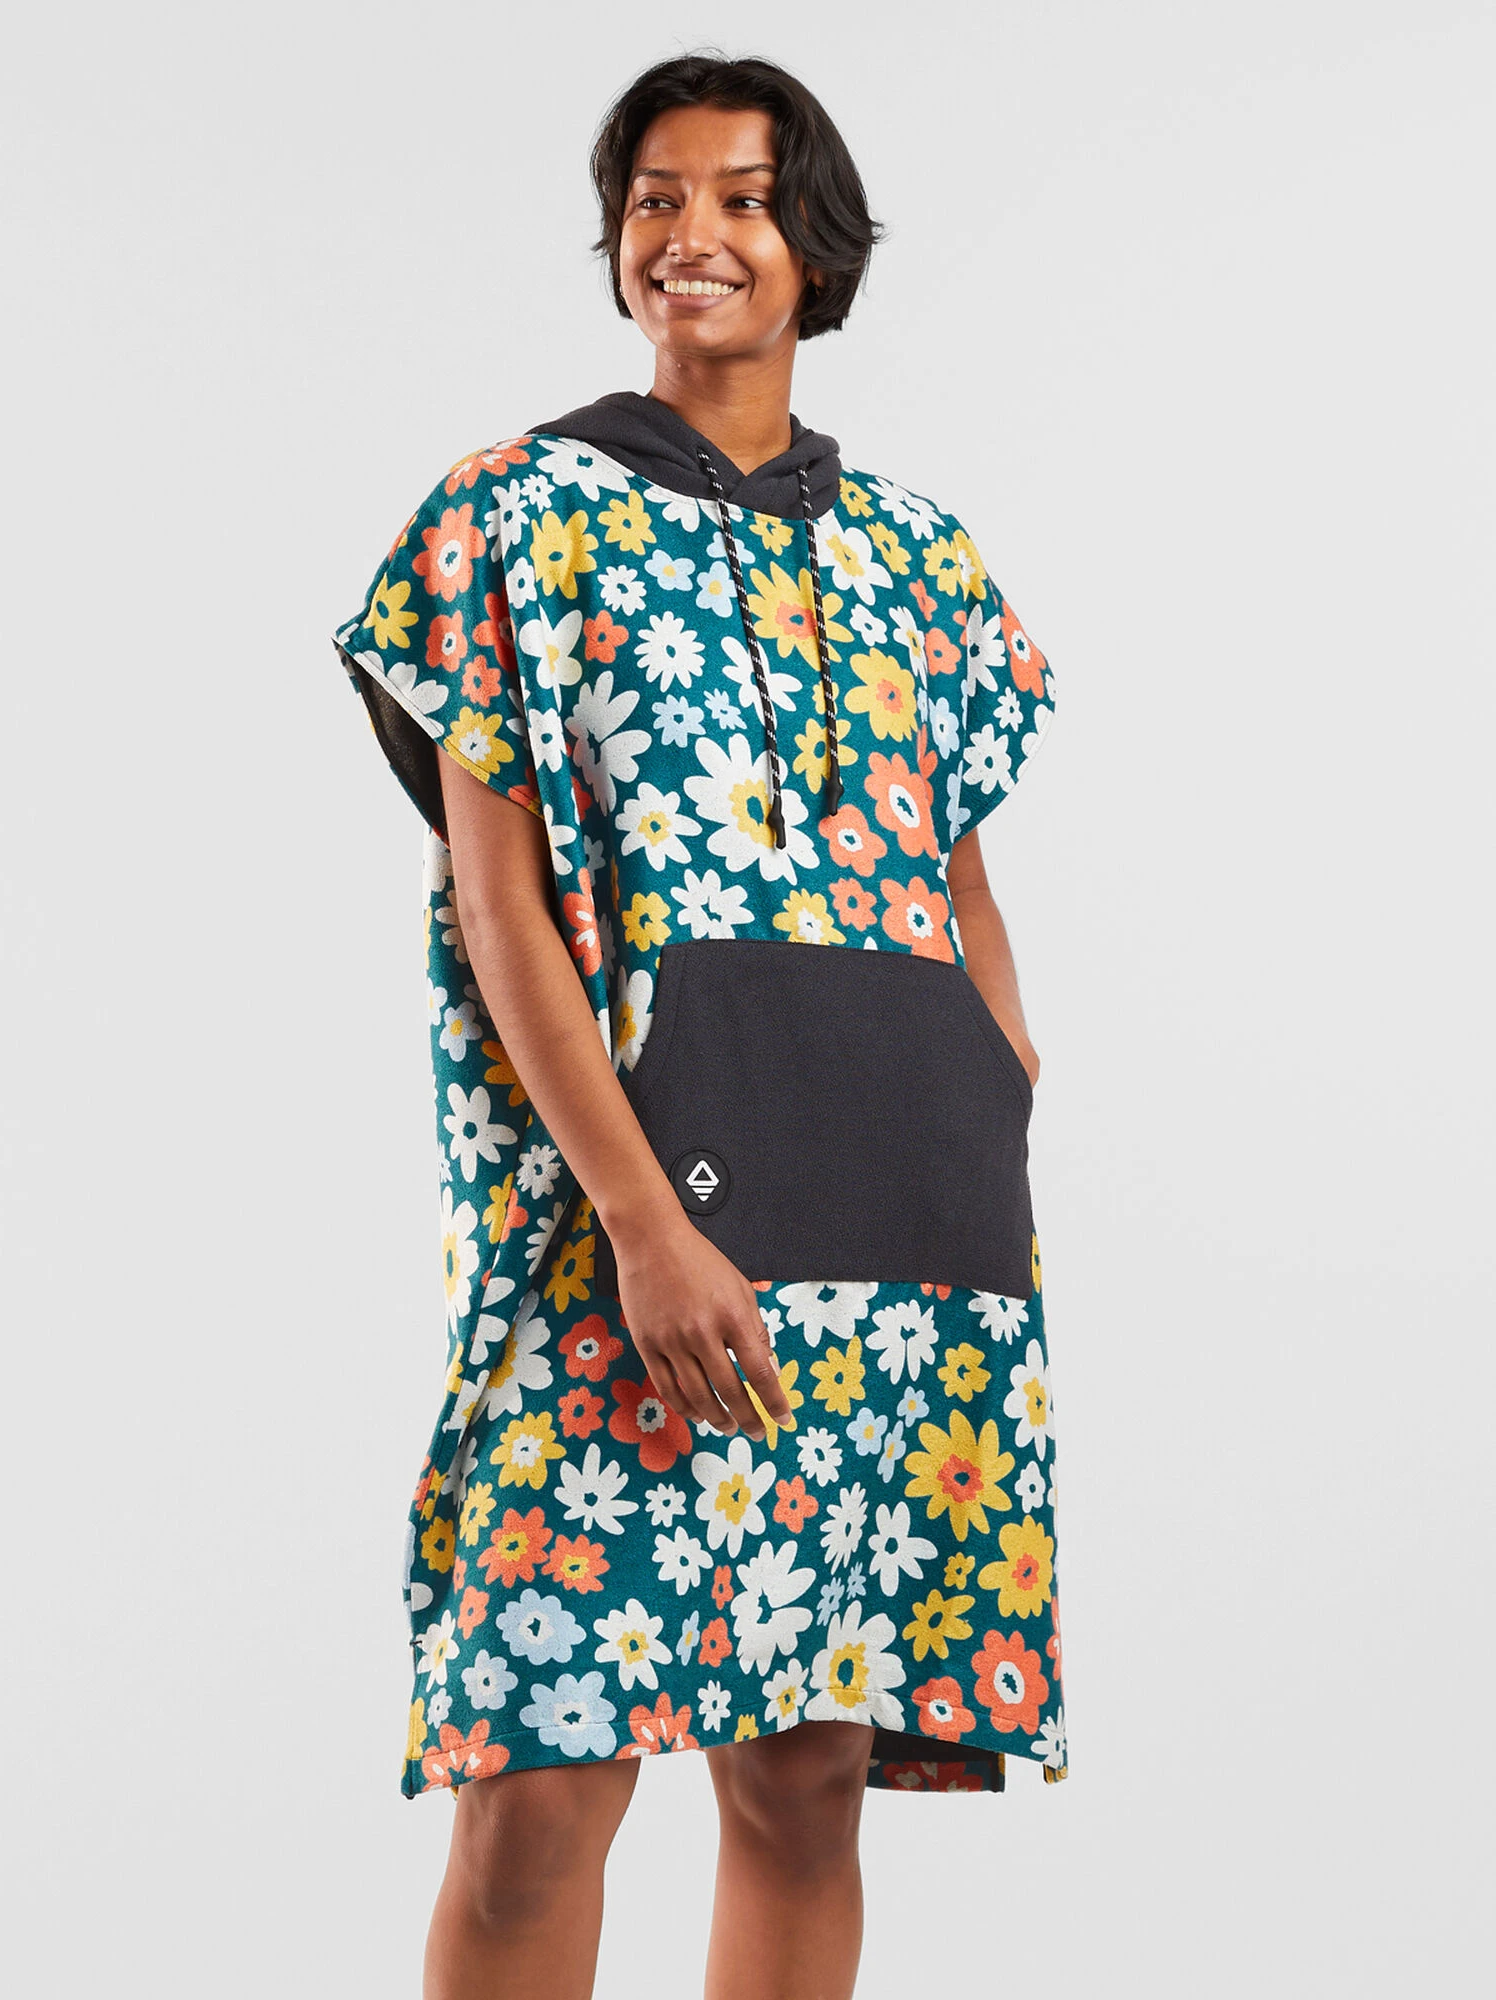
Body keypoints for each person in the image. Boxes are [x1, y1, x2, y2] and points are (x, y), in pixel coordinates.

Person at [332, 48, 1066, 2000]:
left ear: (812, 243)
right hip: (625, 1225)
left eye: (740, 197)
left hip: (899, 1230)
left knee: (806, 1776)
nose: (692, 234)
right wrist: (645, 1222)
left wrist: (997, 1088)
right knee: (538, 1794)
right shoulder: (515, 516)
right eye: (655, 198)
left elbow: (963, 871)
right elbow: (496, 902)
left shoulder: (918, 554)